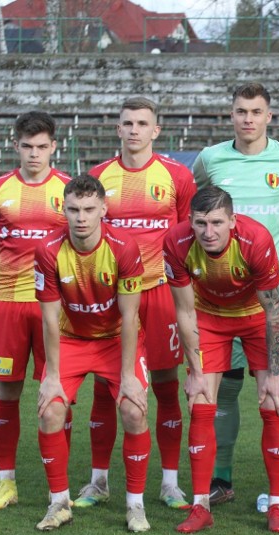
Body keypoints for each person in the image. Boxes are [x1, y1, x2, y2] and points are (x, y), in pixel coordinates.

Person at [192, 82, 279, 508]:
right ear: (231, 115)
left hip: (277, 289)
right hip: (220, 292)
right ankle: (220, 478)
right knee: (224, 387)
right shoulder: (211, 159)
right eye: (241, 111)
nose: (248, 118)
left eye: (256, 111)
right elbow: (193, 203)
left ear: (270, 116)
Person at [78, 96, 196, 510]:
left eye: (142, 123)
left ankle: (169, 482)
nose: (134, 130)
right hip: (112, 296)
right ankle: (98, 481)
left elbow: (188, 237)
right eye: (127, 123)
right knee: (103, 385)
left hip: (160, 293)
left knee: (165, 386)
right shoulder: (97, 177)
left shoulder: (177, 176)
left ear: (155, 130)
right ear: (117, 128)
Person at [164, 187, 279, 534]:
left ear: (232, 221)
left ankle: (278, 505)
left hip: (255, 317)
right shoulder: (176, 243)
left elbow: (274, 311)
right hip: (209, 318)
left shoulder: (256, 240)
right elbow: (185, 310)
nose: (208, 232)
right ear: (189, 221)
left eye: (217, 222)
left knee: (272, 399)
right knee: (200, 399)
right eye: (201, 223)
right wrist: (194, 370)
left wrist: (277, 373)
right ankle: (201, 505)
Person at [33, 174, 151, 532]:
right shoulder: (48, 250)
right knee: (51, 412)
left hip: (116, 339)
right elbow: (50, 319)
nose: (81, 217)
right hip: (71, 339)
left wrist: (129, 376)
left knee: (133, 411)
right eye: (73, 209)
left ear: (103, 209)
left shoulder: (124, 248)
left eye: (88, 209)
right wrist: (51, 376)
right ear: (63, 209)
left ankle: (135, 506)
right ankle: (58, 503)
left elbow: (131, 316)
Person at [0, 111, 72, 510]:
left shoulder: (69, 190)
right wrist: (12, 279)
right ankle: (6, 483)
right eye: (27, 146)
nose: (35, 154)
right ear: (16, 145)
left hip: (58, 308)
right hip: (8, 305)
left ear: (53, 147)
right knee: (7, 390)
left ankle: (60, 487)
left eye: (42, 146)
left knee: (58, 395)